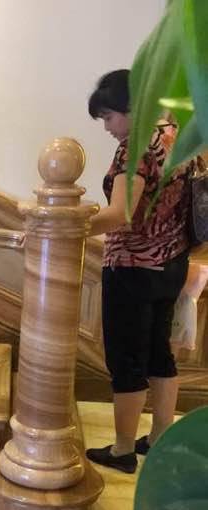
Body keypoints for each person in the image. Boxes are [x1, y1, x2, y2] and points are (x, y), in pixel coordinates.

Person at [85, 69, 192, 473]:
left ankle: (123, 449)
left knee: (126, 359)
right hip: (172, 264)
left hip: (132, 267)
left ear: (132, 108)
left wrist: (67, 227)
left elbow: (120, 214)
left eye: (109, 117)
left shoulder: (134, 147)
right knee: (159, 352)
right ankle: (160, 438)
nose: (108, 127)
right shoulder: (175, 134)